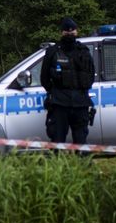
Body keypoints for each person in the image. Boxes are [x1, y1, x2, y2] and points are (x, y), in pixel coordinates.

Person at [40, 17, 96, 147]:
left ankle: (74, 166)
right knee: (64, 143)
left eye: (72, 31)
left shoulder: (83, 51)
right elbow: (44, 79)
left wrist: (55, 91)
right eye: (68, 31)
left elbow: (90, 76)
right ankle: (68, 166)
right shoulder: (54, 51)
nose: (70, 33)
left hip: (72, 104)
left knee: (75, 143)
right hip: (66, 104)